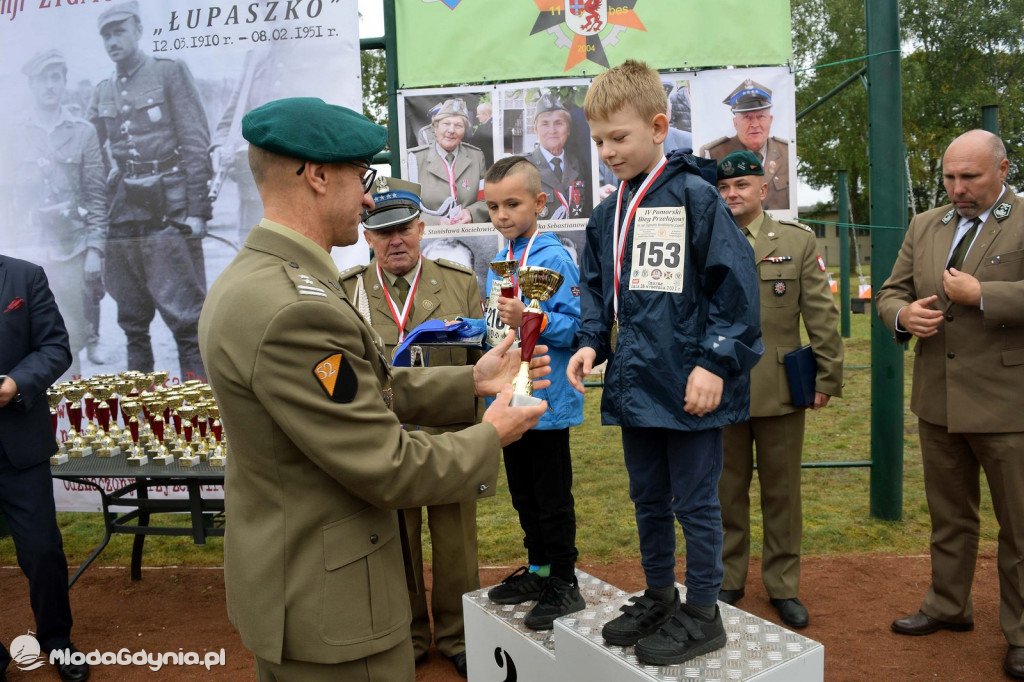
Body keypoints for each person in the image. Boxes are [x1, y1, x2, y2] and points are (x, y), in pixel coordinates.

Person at [198, 97, 550, 682]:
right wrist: (491, 435)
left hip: (300, 583)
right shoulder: (293, 307)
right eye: (361, 178)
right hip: (336, 609)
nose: (368, 199)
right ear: (315, 176)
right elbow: (386, 464)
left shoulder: (260, 279)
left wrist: (471, 379)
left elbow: (366, 390)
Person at [567, 59, 762, 666]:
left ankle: (703, 610)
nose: (607, 151)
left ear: (658, 127)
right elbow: (600, 290)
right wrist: (592, 341)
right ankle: (658, 594)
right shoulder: (608, 212)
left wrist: (714, 363)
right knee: (647, 496)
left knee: (696, 502)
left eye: (618, 138)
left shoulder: (697, 196)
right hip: (635, 382)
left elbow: (737, 291)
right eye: (598, 140)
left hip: (689, 383)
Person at [876, 129, 1024, 679]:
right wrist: (902, 315)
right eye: (949, 177)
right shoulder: (926, 224)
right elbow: (891, 290)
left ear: (1003, 169)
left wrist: (983, 294)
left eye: (971, 177)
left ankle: (1022, 632)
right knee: (949, 518)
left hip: (1010, 408)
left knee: (1019, 527)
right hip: (938, 403)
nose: (957, 188)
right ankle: (948, 605)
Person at [339, 177, 484, 678]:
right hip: (386, 437)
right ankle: (408, 635)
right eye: (382, 231)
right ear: (367, 236)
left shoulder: (460, 283)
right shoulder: (347, 291)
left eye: (404, 227)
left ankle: (460, 635)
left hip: (449, 435)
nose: (395, 239)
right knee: (394, 541)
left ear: (422, 227)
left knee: (456, 544)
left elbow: (478, 364)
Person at [714, 150, 844, 629]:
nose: (732, 195)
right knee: (725, 492)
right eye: (724, 189)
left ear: (763, 190)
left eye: (742, 186)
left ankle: (783, 586)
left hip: (781, 389)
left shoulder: (796, 241)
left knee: (783, 495)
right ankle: (728, 579)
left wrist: (827, 377)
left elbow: (821, 315)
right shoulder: (706, 239)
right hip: (721, 389)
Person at [463, 156, 586, 630]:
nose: (502, 215)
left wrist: (534, 320)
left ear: (539, 202)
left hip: (546, 401)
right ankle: (538, 572)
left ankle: (565, 582)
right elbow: (501, 326)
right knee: (523, 494)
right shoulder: (504, 259)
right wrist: (468, 327)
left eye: (512, 204)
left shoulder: (555, 257)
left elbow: (576, 329)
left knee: (552, 496)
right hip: (508, 401)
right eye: (493, 207)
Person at [87, 0, 212, 381]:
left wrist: (196, 211)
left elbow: (195, 143)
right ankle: (144, 417)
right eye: (106, 35)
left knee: (187, 318)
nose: (113, 41)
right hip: (124, 215)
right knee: (132, 320)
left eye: (119, 31)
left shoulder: (168, 73)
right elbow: (93, 157)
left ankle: (200, 413)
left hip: (170, 211)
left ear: (138, 29)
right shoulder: (102, 91)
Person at [0, 255, 90, 682]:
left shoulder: (24, 276)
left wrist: (15, 385)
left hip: (18, 448)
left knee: (42, 552)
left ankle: (58, 643)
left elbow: (55, 347)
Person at [11, 49, 107, 381]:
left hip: (70, 251)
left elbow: (96, 195)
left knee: (69, 339)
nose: (50, 86)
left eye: (56, 78)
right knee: (19, 340)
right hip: (25, 251)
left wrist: (95, 249)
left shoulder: (83, 132)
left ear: (64, 82)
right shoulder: (12, 132)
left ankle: (71, 421)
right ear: (31, 84)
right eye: (43, 79)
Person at [699, 79, 789, 211]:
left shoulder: (787, 151)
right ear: (735, 123)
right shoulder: (713, 154)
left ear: (770, 120)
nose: (755, 124)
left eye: (761, 116)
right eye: (747, 117)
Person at [407, 98, 488, 225]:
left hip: (469, 234)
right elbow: (407, 208)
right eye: (446, 124)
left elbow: (487, 200)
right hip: (427, 237)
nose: (451, 130)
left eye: (458, 125)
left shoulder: (476, 156)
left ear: (464, 131)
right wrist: (435, 221)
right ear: (435, 127)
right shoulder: (415, 159)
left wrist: (471, 213)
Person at [526, 94, 591, 221]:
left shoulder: (579, 164)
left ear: (568, 130)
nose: (552, 130)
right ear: (535, 129)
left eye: (559, 123)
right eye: (545, 124)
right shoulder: (525, 166)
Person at [471, 100, 494, 167]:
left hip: (486, 164)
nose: (476, 116)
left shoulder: (482, 129)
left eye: (478, 114)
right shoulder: (496, 126)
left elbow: (472, 146)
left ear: (486, 114)